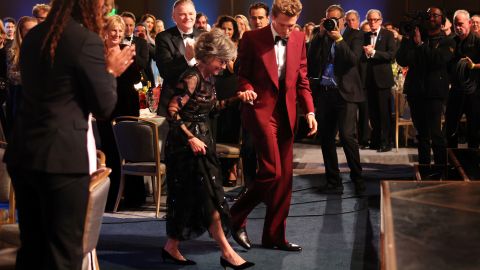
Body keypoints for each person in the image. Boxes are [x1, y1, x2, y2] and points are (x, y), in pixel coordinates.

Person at [3, 0, 135, 269]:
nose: (107, 10)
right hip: (61, 159)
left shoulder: (35, 35)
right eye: (105, 4)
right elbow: (104, 107)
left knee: (33, 251)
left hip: (24, 154)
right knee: (64, 254)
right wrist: (111, 71)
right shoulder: (86, 41)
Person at [163, 28, 255, 269]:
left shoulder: (208, 78)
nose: (224, 66)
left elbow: (212, 109)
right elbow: (171, 112)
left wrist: (239, 98)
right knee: (209, 197)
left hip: (203, 142)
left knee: (193, 198)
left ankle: (171, 246)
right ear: (208, 55)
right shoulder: (191, 77)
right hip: (186, 147)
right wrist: (190, 138)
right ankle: (227, 252)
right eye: (221, 61)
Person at [230, 0, 317, 252]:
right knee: (271, 171)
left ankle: (274, 236)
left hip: (287, 113)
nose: (288, 30)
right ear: (272, 18)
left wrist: (309, 110)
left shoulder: (299, 38)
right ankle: (235, 216)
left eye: (292, 25)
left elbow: (302, 78)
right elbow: (242, 74)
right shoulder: (251, 37)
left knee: (285, 179)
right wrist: (245, 89)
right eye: (283, 25)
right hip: (261, 111)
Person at [307, 4, 365, 194]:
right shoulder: (322, 36)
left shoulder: (355, 35)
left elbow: (353, 60)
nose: (330, 22)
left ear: (342, 21)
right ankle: (333, 181)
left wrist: (339, 39)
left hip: (346, 93)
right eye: (327, 19)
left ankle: (358, 179)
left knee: (348, 136)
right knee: (326, 138)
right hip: (326, 92)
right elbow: (311, 58)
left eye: (333, 19)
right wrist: (320, 33)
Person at [396, 7, 455, 165]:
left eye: (435, 16)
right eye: (429, 16)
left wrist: (420, 45)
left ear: (442, 20)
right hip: (416, 92)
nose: (431, 18)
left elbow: (438, 60)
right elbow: (402, 59)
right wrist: (408, 39)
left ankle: (441, 168)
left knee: (436, 133)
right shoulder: (415, 38)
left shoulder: (447, 41)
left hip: (434, 93)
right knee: (421, 134)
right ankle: (424, 168)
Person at [155, 0, 203, 117]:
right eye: (182, 14)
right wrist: (187, 58)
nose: (188, 17)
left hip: (201, 101)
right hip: (174, 102)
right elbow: (165, 71)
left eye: (191, 14)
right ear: (173, 17)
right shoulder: (163, 37)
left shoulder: (204, 36)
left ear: (195, 14)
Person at [362, 9, 396, 152]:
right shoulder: (365, 36)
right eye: (370, 20)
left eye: (375, 20)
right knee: (373, 113)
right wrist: (366, 54)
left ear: (381, 20)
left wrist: (374, 52)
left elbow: (391, 55)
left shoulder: (388, 34)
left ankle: (386, 142)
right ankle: (375, 140)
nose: (372, 22)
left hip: (383, 80)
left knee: (384, 113)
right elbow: (362, 58)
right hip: (369, 79)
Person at [445, 10, 480, 149]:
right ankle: (452, 163)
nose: (458, 27)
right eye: (455, 25)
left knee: (474, 131)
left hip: (474, 93)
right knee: (451, 128)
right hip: (455, 91)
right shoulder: (451, 42)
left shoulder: (478, 41)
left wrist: (474, 66)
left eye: (461, 24)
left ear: (470, 23)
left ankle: (472, 165)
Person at [5, 16, 37, 136]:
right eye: (28, 30)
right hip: (20, 95)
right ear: (20, 31)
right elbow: (11, 75)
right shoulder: (13, 50)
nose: (32, 33)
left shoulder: (41, 47)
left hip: (37, 97)